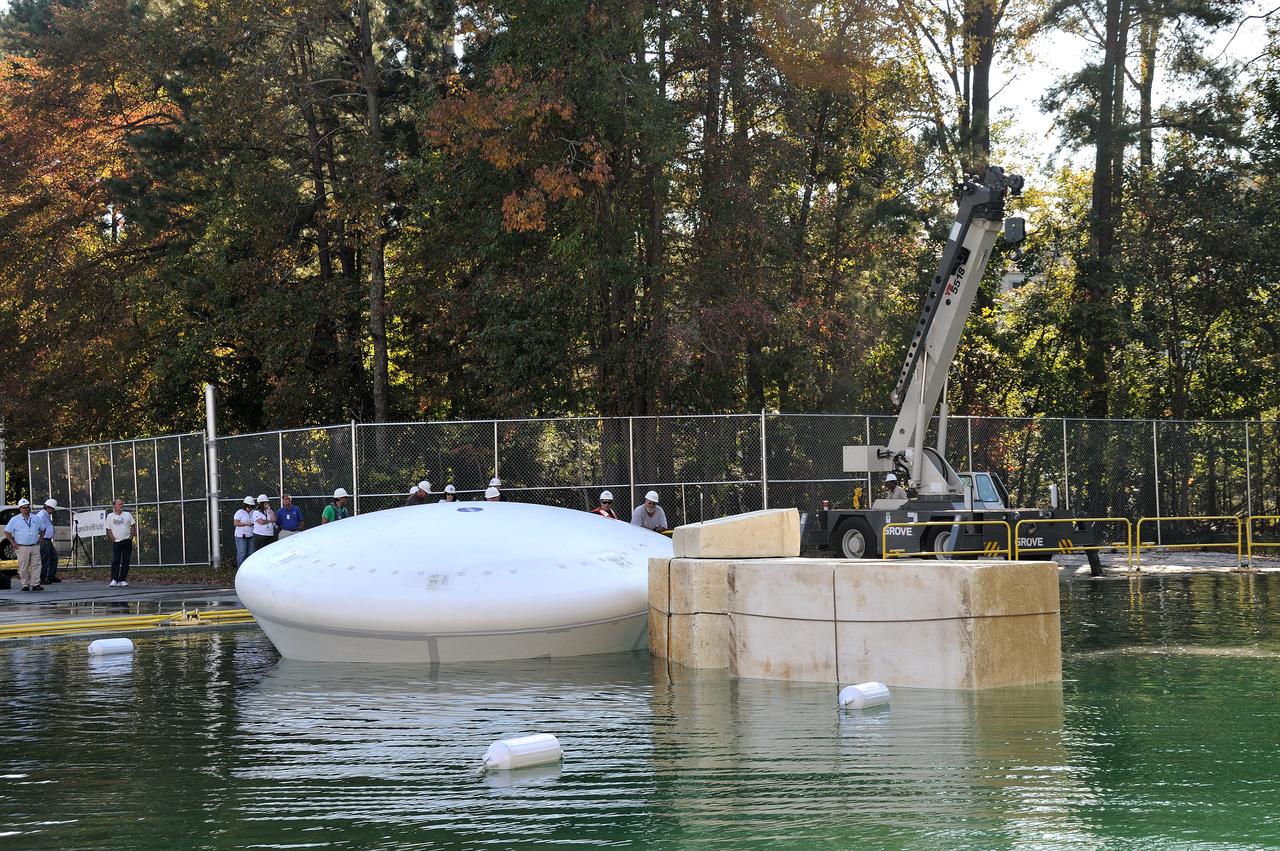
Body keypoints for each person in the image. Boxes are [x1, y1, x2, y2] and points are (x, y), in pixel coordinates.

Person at [4, 498, 50, 591]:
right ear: (20, 509)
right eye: (24, 508)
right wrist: (13, 542)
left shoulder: (36, 518)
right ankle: (25, 584)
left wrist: (41, 538)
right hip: (22, 547)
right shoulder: (15, 519)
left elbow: (43, 528)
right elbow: (7, 531)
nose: (26, 509)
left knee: (36, 565)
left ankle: (36, 584)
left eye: (27, 507)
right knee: (23, 566)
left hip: (34, 546)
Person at [105, 498, 137, 587]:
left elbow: (133, 526)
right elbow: (108, 529)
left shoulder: (128, 514)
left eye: (122, 504)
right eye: (119, 504)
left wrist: (131, 537)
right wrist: (113, 538)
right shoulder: (110, 516)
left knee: (126, 560)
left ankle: (122, 579)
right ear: (114, 506)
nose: (121, 506)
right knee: (116, 560)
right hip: (117, 542)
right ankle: (114, 579)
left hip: (127, 541)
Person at [39, 498, 61, 584]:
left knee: (54, 557)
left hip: (47, 539)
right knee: (44, 559)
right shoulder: (41, 515)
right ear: (48, 507)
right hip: (44, 539)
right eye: (52, 508)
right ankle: (42, 578)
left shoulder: (46, 515)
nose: (53, 510)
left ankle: (51, 576)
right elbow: (38, 527)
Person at [233, 495, 256, 567]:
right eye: (248, 506)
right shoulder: (239, 512)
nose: (249, 508)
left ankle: (249, 569)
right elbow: (235, 523)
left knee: (251, 552)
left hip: (251, 535)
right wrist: (246, 524)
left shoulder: (253, 512)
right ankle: (240, 569)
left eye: (251, 506)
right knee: (242, 553)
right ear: (245, 505)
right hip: (241, 536)